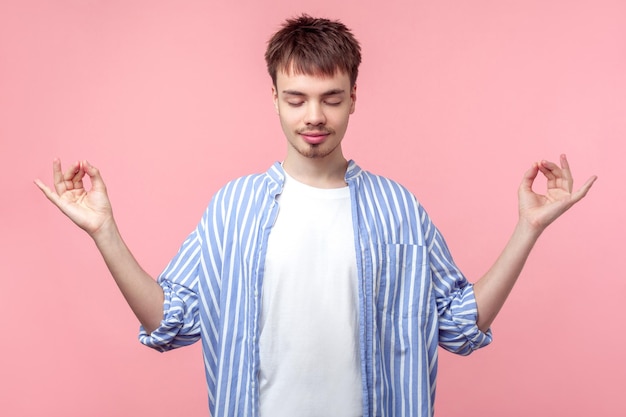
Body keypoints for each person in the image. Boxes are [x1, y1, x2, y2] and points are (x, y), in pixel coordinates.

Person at [34, 14, 596, 417]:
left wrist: (529, 229)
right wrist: (104, 232)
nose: (314, 116)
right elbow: (170, 322)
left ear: (354, 97)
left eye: (331, 97)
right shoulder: (234, 206)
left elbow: (458, 326)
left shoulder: (398, 208)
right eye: (296, 97)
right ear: (274, 97)